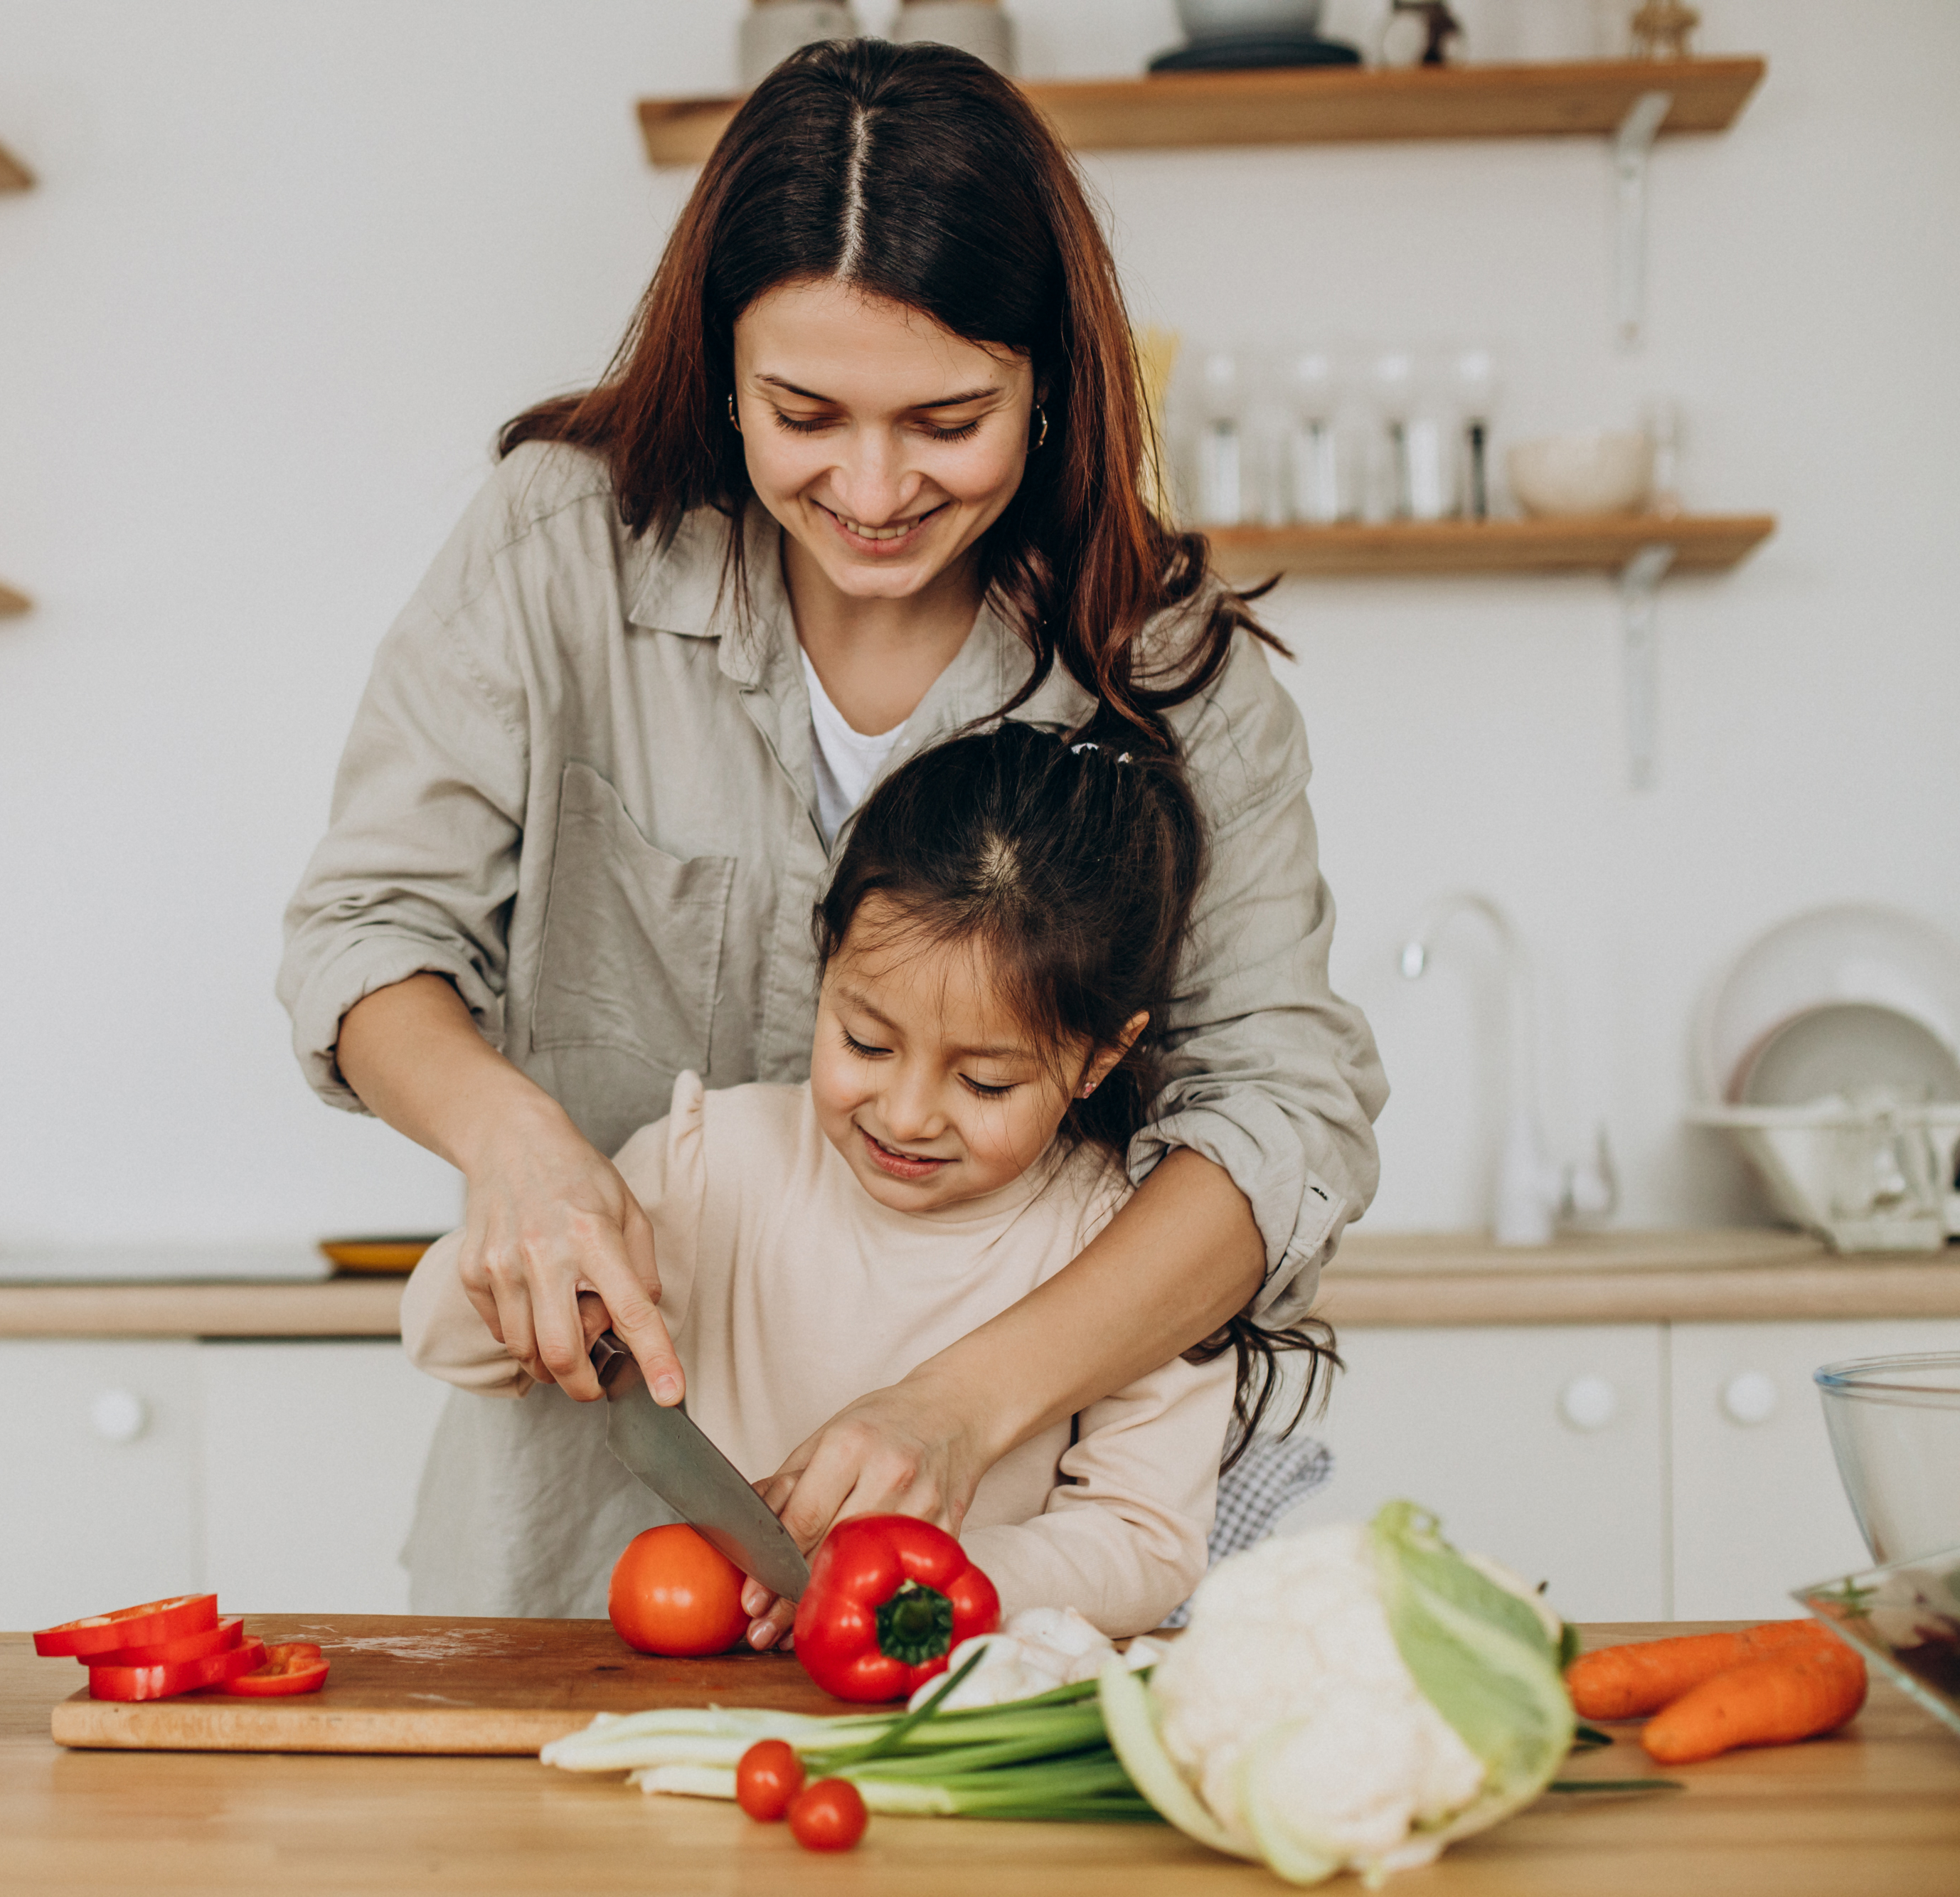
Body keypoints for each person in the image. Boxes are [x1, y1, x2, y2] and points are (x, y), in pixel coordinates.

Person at [277, 40, 1383, 1630]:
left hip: (976, 1579)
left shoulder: (1158, 668)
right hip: (578, 1548)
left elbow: (1282, 1111)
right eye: (802, 411)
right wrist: (512, 1145)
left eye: (947, 419)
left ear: (1052, 384)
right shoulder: (554, 546)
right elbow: (365, 932)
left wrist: (961, 1402)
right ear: (720, 369)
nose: (870, 488)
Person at [403, 718, 1333, 1637]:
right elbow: (443, 1341)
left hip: (954, 1703)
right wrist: (518, 1266)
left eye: (985, 1081)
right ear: (827, 964)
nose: (906, 1113)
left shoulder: (1135, 1253)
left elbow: (1144, 1544)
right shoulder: (708, 1160)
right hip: (711, 1700)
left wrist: (930, 1583)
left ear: (1098, 1060)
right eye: (865, 1041)